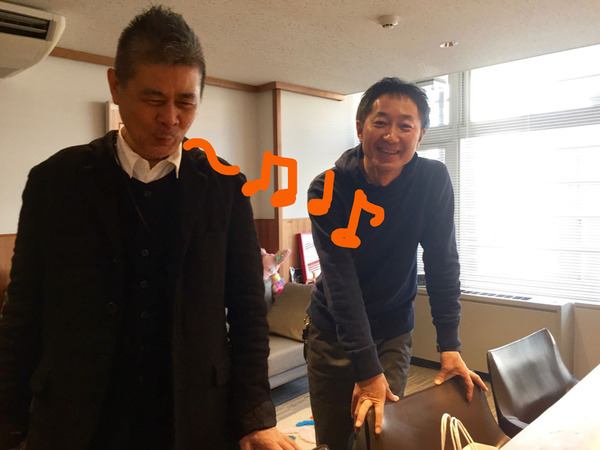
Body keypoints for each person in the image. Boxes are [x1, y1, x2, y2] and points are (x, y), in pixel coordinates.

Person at [0, 6, 299, 450]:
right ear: (116, 86)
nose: (170, 119)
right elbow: (23, 310)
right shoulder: (56, 182)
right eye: (154, 99)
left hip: (193, 416)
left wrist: (256, 416)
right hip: (78, 417)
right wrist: (8, 423)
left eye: (186, 102)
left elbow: (248, 312)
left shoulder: (225, 186)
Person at [305, 77, 487, 450]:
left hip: (392, 330)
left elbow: (442, 261)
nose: (392, 136)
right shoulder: (327, 189)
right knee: (335, 439)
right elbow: (340, 282)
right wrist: (365, 367)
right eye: (381, 122)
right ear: (360, 128)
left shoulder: (432, 181)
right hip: (333, 334)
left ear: (421, 135)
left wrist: (449, 344)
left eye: (405, 125)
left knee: (382, 437)